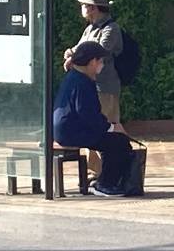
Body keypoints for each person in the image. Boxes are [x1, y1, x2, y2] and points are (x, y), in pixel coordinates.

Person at [53, 41, 133, 197]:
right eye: (100, 61)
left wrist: (108, 127)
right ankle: (105, 184)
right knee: (119, 142)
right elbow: (88, 114)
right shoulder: (83, 81)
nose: (102, 65)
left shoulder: (73, 77)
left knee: (112, 141)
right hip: (73, 132)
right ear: (92, 62)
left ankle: (104, 181)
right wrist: (112, 127)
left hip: (67, 129)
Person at [64, 0, 123, 177]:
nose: (82, 8)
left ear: (93, 7)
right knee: (91, 127)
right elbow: (78, 49)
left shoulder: (111, 29)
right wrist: (71, 53)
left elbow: (98, 52)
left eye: (84, 5)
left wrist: (74, 57)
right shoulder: (89, 29)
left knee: (106, 128)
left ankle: (109, 172)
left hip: (105, 87)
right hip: (90, 87)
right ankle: (96, 172)